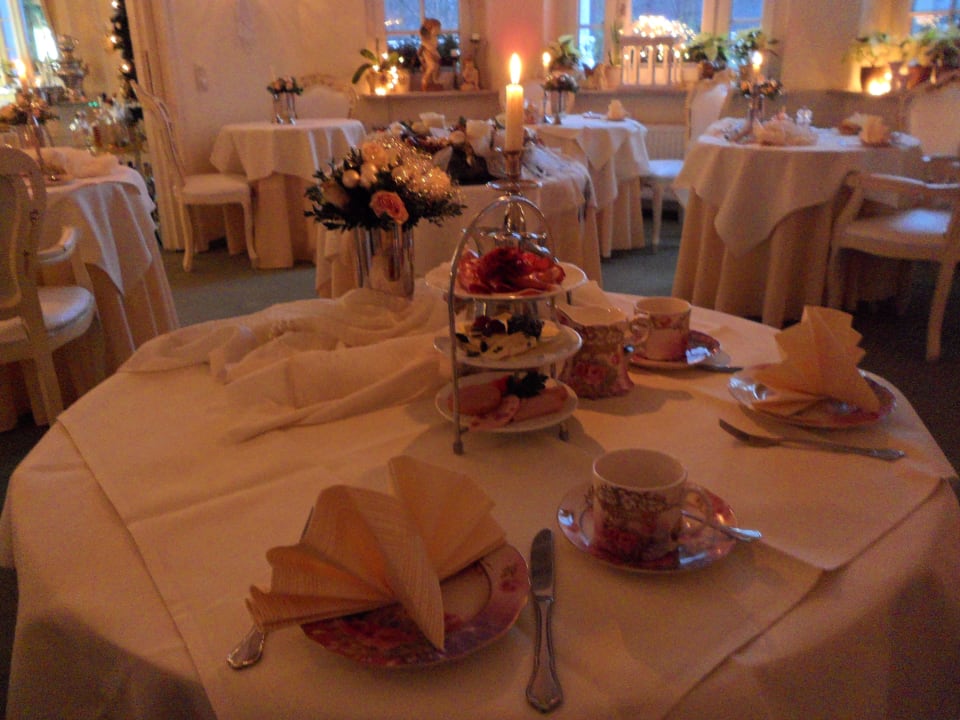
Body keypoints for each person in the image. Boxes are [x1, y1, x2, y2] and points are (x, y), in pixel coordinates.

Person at [418, 18, 443, 91]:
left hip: (433, 53)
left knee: (436, 67)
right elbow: (427, 46)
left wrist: (436, 54)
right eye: (437, 29)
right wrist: (436, 54)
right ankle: (425, 79)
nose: (439, 30)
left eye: (439, 29)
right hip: (427, 53)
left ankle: (434, 80)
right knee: (431, 66)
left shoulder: (435, 38)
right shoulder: (426, 38)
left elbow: (434, 48)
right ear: (430, 29)